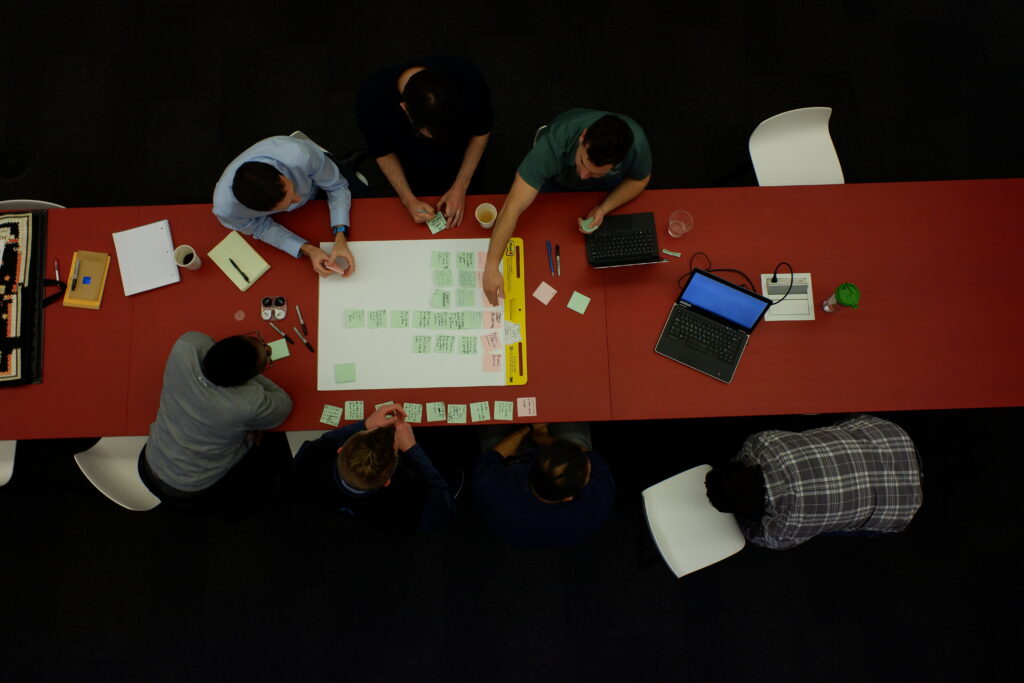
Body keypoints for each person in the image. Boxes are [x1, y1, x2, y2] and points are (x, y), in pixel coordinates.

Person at [482, 108, 652, 305]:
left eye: (596, 172)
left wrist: (604, 207)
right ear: (583, 137)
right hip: (556, 180)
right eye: (582, 162)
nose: (583, 176)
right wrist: (492, 266)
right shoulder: (553, 146)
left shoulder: (637, 144)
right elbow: (512, 207)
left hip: (603, 190)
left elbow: (640, 180)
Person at [704, 414, 924, 549]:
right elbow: (740, 457)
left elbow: (758, 535)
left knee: (821, 527)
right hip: (892, 436)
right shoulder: (761, 443)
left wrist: (739, 523)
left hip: (904, 503)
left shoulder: (785, 525)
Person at [140, 331, 293, 515]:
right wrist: (250, 377)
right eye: (267, 356)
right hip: (189, 487)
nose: (268, 347)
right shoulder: (248, 404)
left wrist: (240, 370)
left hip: (151, 461)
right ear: (247, 378)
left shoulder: (187, 346)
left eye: (260, 340)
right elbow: (283, 403)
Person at [356, 56, 492, 229]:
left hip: (465, 161)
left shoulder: (467, 78)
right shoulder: (371, 99)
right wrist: (408, 199)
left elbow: (480, 132)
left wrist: (461, 186)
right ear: (404, 108)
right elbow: (383, 152)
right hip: (414, 169)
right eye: (428, 133)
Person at [290, 404, 456, 535]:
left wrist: (365, 424)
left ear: (340, 450)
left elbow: (324, 441)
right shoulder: (404, 508)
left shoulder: (311, 457)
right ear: (387, 481)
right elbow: (443, 508)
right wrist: (412, 449)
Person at [213, 135, 357, 277]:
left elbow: (337, 187)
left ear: (279, 174)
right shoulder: (227, 210)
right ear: (263, 212)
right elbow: (260, 227)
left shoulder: (301, 155)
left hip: (318, 178)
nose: (299, 198)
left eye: (293, 188)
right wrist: (308, 250)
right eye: (291, 202)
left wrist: (340, 237)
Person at [471, 423, 615, 548]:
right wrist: (542, 437)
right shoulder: (596, 502)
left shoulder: (491, 487)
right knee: (575, 433)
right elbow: (585, 453)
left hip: (510, 473)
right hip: (537, 529)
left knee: (488, 415)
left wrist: (528, 429)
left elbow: (492, 458)